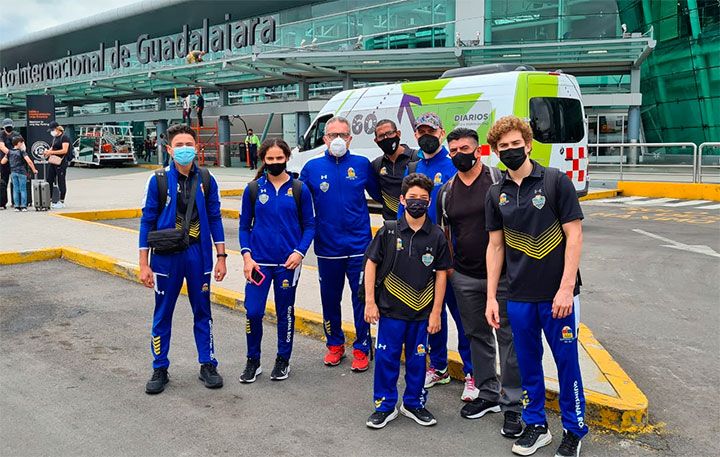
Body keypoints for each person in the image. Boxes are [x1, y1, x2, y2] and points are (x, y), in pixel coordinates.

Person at [484, 116, 587, 457]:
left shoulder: (555, 181)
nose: (511, 150)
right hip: (519, 296)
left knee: (567, 364)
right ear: (496, 151)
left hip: (558, 296)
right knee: (527, 365)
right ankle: (536, 425)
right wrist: (491, 297)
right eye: (503, 146)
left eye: (516, 144)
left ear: (528, 145)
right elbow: (495, 246)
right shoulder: (495, 193)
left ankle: (574, 430)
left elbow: (574, 235)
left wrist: (566, 288)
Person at [439, 127, 523, 436]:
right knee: (476, 336)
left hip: (503, 279)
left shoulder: (498, 181)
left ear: (478, 151)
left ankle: (513, 404)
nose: (458, 154)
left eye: (464, 148)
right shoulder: (447, 191)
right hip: (465, 277)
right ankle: (488, 393)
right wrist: (451, 270)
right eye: (453, 150)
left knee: (508, 339)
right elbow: (445, 231)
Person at [139, 123, 227, 395]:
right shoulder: (158, 180)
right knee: (163, 313)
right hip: (166, 257)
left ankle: (207, 364)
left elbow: (215, 218)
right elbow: (146, 221)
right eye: (179, 145)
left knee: (203, 312)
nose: (185, 149)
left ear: (197, 148)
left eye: (189, 144)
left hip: (199, 255)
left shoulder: (207, 179)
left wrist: (221, 256)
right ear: (169, 149)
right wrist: (143, 264)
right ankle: (159, 367)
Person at [397, 112, 475, 401]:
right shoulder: (413, 167)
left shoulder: (453, 165)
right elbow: (402, 212)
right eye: (421, 132)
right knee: (433, 315)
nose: (425, 136)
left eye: (431, 131)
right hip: (420, 256)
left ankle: (472, 373)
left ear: (441, 133)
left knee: (463, 317)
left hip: (452, 256)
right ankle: (440, 366)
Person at [364, 173, 450, 429]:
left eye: (423, 198)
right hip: (390, 312)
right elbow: (371, 264)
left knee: (417, 362)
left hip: (421, 313)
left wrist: (436, 312)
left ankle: (414, 403)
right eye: (412, 197)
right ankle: (384, 406)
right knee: (386, 360)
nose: (417, 202)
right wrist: (370, 302)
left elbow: (441, 275)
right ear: (402, 200)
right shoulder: (388, 231)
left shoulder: (436, 235)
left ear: (429, 201)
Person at [299, 116, 381, 371]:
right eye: (333, 135)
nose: (338, 139)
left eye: (343, 135)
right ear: (325, 138)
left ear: (350, 138)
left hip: (359, 247)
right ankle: (335, 345)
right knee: (330, 299)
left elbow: (382, 195)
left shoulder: (362, 164)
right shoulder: (311, 168)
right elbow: (298, 204)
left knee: (361, 299)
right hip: (328, 248)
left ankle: (362, 347)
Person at [238, 138, 315, 383]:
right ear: (263, 159)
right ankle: (253, 360)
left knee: (285, 312)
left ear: (287, 158)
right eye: (270, 159)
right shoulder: (253, 189)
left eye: (279, 158)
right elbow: (243, 227)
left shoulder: (300, 189)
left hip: (287, 265)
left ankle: (283, 359)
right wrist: (247, 257)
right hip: (258, 264)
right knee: (253, 312)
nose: (275, 162)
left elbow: (310, 226)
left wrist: (299, 252)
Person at [370, 119, 418, 220]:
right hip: (391, 224)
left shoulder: (416, 159)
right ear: (376, 141)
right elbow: (376, 193)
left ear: (398, 134)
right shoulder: (377, 165)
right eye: (381, 136)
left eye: (390, 133)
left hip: (415, 222)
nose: (386, 138)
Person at [0, 135, 37, 211]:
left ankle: (16, 206)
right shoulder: (22, 152)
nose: (23, 144)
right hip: (22, 172)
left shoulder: (9, 152)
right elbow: (29, 161)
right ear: (19, 143)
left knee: (16, 189)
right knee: (23, 189)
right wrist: (34, 170)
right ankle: (23, 206)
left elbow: (3, 162)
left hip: (13, 172)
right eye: (22, 143)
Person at [44, 121, 74, 209]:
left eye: (52, 130)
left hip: (61, 161)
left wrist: (51, 152)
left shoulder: (64, 137)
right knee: (49, 179)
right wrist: (47, 152)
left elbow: (64, 150)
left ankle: (61, 200)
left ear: (57, 129)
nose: (51, 132)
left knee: (61, 180)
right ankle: (49, 199)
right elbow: (52, 147)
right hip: (53, 161)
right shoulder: (55, 138)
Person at [0, 118, 20, 210]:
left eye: (9, 127)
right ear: (3, 127)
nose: (8, 129)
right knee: (4, 182)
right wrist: (11, 154)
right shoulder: (1, 134)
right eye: (7, 127)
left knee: (15, 181)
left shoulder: (16, 134)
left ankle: (15, 202)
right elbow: (1, 146)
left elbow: (22, 146)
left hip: (15, 161)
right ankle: (2, 202)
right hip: (4, 161)